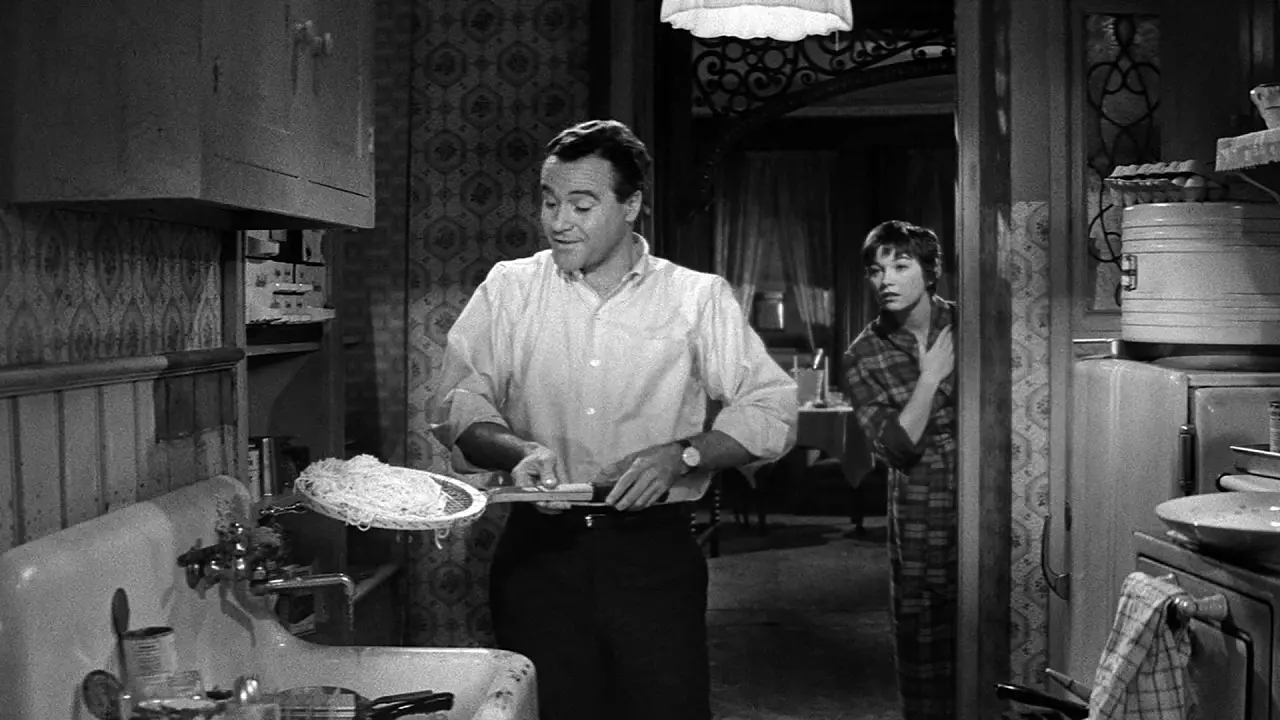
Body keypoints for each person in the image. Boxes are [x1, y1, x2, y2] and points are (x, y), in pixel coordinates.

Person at [428, 119, 798, 720]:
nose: (558, 221)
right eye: (549, 202)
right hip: (539, 557)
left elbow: (771, 408)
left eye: (581, 205)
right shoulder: (510, 288)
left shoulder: (696, 297)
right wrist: (519, 452)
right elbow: (457, 405)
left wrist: (682, 454)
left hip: (653, 556)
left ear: (631, 206)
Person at [843, 220, 957, 720]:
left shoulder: (973, 324)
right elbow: (896, 447)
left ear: (930, 272)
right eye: (876, 270)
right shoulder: (863, 354)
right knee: (923, 628)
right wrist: (929, 379)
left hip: (984, 490)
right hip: (921, 503)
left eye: (900, 266)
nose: (885, 280)